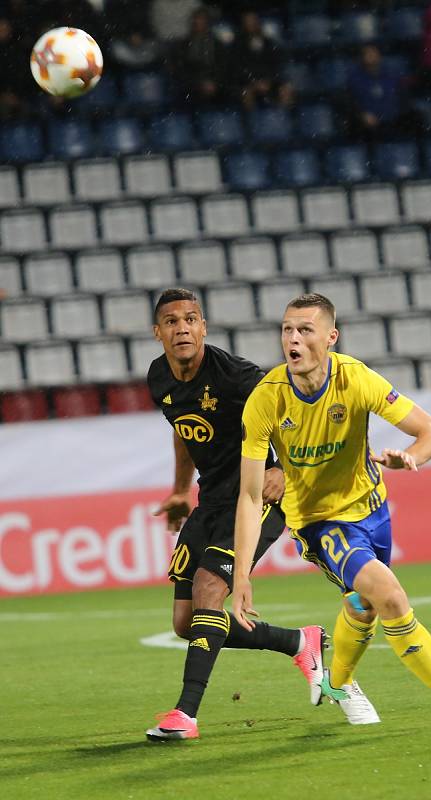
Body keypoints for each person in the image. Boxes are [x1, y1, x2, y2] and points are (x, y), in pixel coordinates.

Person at [233, 292, 431, 730]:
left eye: (305, 330)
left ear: (331, 337)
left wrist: (412, 457)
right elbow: (252, 496)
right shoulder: (266, 399)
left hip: (372, 509)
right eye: (287, 330)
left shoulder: (356, 378)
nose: (293, 339)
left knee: (365, 604)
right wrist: (241, 576)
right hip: (318, 522)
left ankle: (338, 682)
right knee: (389, 595)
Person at [144, 288, 327, 741]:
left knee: (210, 589)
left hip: (256, 498)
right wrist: (179, 490)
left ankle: (185, 715)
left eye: (190, 319)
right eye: (171, 321)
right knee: (187, 623)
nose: (181, 328)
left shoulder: (236, 377)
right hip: (211, 500)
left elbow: (295, 411)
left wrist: (284, 470)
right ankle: (299, 642)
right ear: (158, 332)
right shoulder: (159, 378)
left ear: (204, 327)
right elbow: (185, 433)